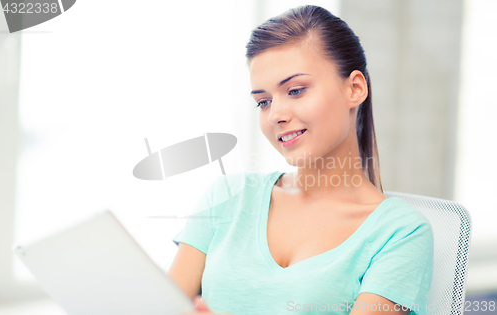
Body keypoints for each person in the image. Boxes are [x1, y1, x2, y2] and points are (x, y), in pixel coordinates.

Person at [168, 5, 434, 315]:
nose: (276, 115)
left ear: (355, 88)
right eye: (263, 102)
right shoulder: (227, 197)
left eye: (295, 90)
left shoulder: (400, 234)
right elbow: (160, 305)